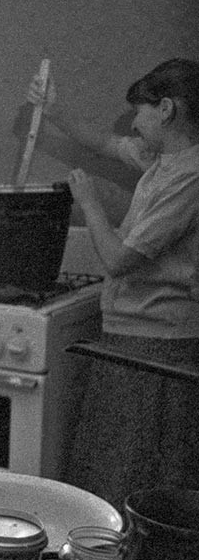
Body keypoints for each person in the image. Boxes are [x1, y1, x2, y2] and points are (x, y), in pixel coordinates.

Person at [28, 58, 199, 507]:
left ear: (166, 109)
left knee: (135, 470)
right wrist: (54, 111)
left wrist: (89, 203)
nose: (134, 125)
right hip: (129, 335)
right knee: (112, 462)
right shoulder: (163, 159)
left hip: (157, 344)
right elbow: (104, 142)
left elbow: (120, 259)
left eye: (140, 113)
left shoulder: (190, 177)